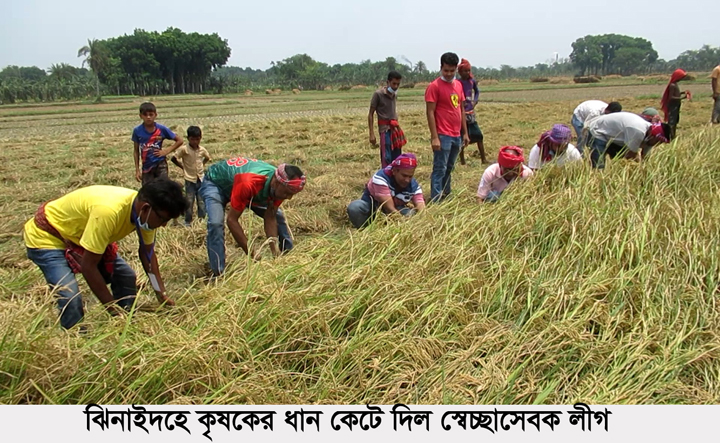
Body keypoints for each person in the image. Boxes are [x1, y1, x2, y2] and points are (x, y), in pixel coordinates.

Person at [23, 178, 187, 329]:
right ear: (146, 208)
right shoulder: (109, 212)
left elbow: (148, 257)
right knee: (69, 295)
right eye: (163, 219)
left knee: (126, 276)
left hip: (80, 235)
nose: (164, 225)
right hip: (47, 237)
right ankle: (74, 340)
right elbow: (89, 267)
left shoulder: (144, 216)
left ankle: (128, 322)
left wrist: (160, 293)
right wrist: (113, 309)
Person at [198, 157, 306, 276]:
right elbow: (232, 220)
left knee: (278, 215)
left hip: (242, 187)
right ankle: (218, 272)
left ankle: (286, 255)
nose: (288, 197)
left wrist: (275, 252)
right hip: (216, 183)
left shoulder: (279, 186)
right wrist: (253, 255)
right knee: (215, 223)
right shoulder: (250, 182)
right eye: (287, 193)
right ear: (275, 182)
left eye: (292, 194)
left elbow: (270, 217)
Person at [425, 52, 470, 202]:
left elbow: (461, 110)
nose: (449, 74)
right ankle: (436, 200)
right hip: (442, 135)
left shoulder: (458, 85)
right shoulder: (434, 86)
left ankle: (446, 196)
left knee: (449, 168)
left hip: (456, 134)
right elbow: (430, 112)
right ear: (441, 68)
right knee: (440, 169)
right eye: (446, 70)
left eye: (452, 71)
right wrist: (434, 137)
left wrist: (465, 132)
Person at [346, 153, 425, 229]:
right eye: (404, 175)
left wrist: (422, 219)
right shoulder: (381, 178)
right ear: (394, 171)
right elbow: (389, 208)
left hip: (396, 210)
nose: (407, 180)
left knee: (412, 214)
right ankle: (364, 230)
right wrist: (402, 222)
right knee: (355, 207)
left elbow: (421, 205)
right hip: (373, 209)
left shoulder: (413, 185)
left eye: (410, 176)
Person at [584, 112, 672, 169]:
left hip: (615, 136)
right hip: (598, 131)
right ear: (654, 137)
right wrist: (639, 168)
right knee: (599, 164)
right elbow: (631, 155)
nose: (657, 145)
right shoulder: (638, 131)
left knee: (619, 159)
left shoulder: (650, 136)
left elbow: (644, 156)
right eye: (659, 142)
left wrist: (646, 168)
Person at [132, 102, 184, 185]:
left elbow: (179, 141)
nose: (148, 117)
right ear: (140, 116)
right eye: (145, 115)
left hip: (160, 164)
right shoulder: (137, 131)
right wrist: (137, 170)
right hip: (146, 166)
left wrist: (166, 151)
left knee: (163, 188)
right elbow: (136, 151)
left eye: (151, 114)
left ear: (155, 115)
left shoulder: (161, 129)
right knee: (148, 190)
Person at [171, 126, 212, 226]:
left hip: (201, 178)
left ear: (200, 138)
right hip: (189, 179)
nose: (195, 141)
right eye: (192, 139)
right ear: (188, 138)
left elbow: (207, 158)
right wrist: (183, 167)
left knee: (201, 201)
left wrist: (202, 165)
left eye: (197, 139)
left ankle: (201, 220)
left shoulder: (202, 150)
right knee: (189, 200)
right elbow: (174, 158)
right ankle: (188, 220)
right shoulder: (184, 149)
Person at [369, 71, 407, 168]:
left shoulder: (394, 94)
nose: (395, 86)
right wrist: (371, 134)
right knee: (386, 157)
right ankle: (386, 178)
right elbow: (370, 114)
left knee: (397, 157)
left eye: (398, 84)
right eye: (394, 83)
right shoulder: (378, 94)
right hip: (385, 129)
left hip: (395, 129)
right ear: (388, 82)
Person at [457, 58, 487, 164]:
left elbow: (477, 92)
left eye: (469, 70)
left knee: (479, 136)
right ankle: (462, 161)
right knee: (461, 138)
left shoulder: (472, 81)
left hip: (470, 112)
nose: (467, 73)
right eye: (465, 71)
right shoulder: (457, 83)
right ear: (460, 72)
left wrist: (475, 101)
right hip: (461, 113)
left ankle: (483, 159)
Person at [660, 69, 689, 139]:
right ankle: (670, 136)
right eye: (681, 77)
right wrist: (682, 98)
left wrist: (682, 93)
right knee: (672, 122)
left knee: (675, 121)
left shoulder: (675, 84)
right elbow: (671, 97)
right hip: (673, 106)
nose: (682, 79)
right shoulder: (672, 85)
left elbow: (675, 94)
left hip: (676, 106)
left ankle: (673, 135)